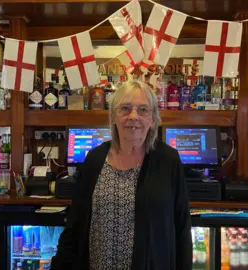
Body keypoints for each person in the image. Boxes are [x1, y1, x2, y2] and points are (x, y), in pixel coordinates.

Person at [51, 80, 192, 270]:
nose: (133, 116)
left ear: (152, 120)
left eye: (143, 110)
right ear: (113, 117)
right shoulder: (94, 159)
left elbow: (182, 229)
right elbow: (74, 227)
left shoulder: (168, 160)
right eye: (125, 108)